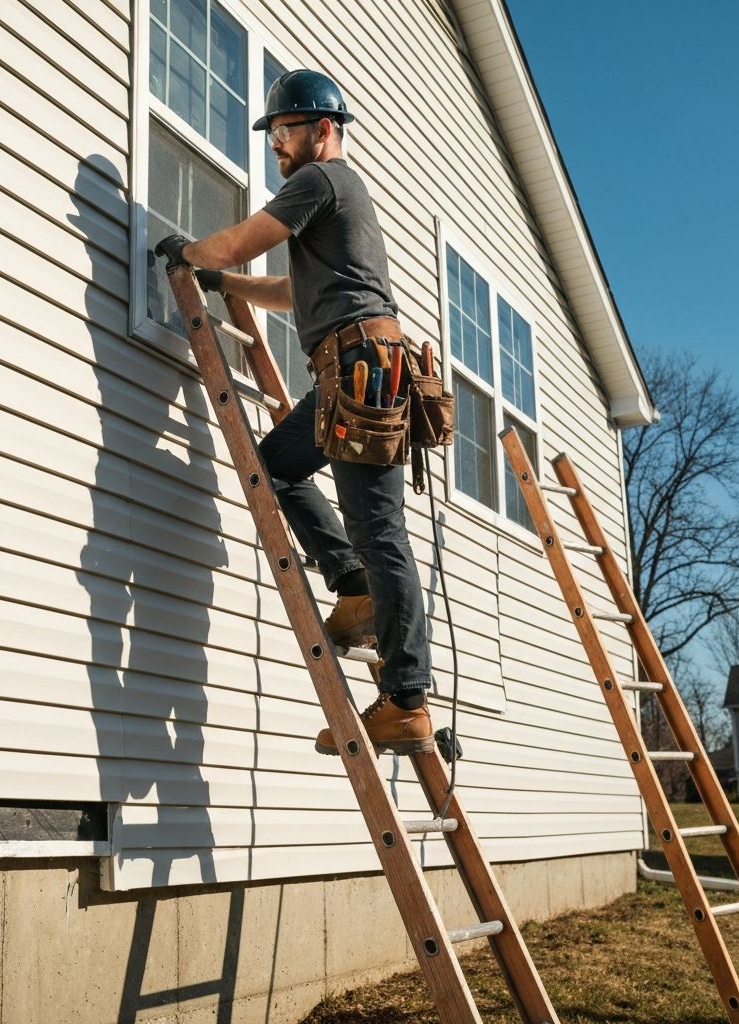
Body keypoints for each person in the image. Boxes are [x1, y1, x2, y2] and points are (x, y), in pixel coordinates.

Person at [161, 70, 433, 756]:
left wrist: (189, 258)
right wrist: (224, 285)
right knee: (274, 468)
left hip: (360, 371)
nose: (276, 145)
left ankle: (406, 699)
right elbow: (291, 289)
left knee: (381, 533)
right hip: (353, 368)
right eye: (273, 134)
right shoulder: (339, 197)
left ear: (324, 128)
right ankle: (354, 590)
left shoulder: (321, 181)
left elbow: (235, 243)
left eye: (285, 131)